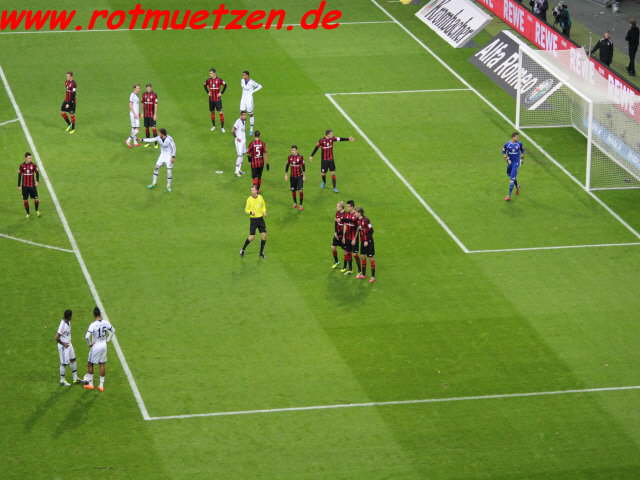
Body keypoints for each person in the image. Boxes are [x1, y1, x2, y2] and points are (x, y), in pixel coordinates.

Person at [83, 307, 115, 392]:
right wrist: (108, 339)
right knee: (102, 364)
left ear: (94, 314)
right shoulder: (105, 322)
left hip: (96, 346)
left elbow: (87, 337)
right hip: (104, 345)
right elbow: (113, 330)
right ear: (100, 314)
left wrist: (89, 344)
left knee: (90, 364)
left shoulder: (93, 325)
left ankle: (90, 384)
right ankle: (101, 385)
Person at [55, 309, 81, 386]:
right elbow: (56, 337)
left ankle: (75, 378)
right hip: (64, 346)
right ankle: (62, 380)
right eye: (71, 316)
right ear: (69, 316)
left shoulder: (68, 322)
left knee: (73, 359)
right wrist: (63, 344)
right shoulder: (62, 325)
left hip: (69, 344)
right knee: (63, 363)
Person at [240, 185, 267, 258]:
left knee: (264, 235)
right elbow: (246, 209)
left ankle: (261, 253)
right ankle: (243, 249)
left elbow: (263, 205)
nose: (252, 192)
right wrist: (251, 212)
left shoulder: (260, 197)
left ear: (256, 191)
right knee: (252, 237)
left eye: (253, 190)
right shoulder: (249, 199)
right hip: (253, 220)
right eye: (251, 190)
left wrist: (264, 211)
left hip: (260, 219)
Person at [355, 208, 376, 283]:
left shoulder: (366, 220)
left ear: (359, 213)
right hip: (363, 242)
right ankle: (363, 274)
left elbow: (371, 230)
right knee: (362, 256)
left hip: (369, 242)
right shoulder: (358, 221)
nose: (355, 214)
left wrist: (367, 240)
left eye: (356, 212)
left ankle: (373, 277)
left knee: (371, 258)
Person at [503, 132, 525, 201]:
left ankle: (509, 196)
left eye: (518, 137)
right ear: (513, 137)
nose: (518, 138)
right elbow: (504, 151)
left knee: (511, 179)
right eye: (517, 137)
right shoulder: (507, 144)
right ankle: (517, 186)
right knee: (509, 174)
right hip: (510, 163)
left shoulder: (519, 144)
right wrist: (505, 157)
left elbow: (522, 151)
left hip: (516, 163)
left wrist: (522, 158)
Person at [17, 152, 40, 218]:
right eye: (29, 158)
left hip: (32, 186)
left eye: (31, 158)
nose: (30, 159)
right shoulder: (21, 166)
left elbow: (37, 172)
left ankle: (37, 210)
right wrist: (19, 185)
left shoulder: (34, 165)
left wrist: (37, 181)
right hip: (24, 186)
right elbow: (19, 175)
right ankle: (28, 213)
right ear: (25, 158)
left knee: (36, 199)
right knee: (25, 200)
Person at [240, 71, 263, 136]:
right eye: (242, 75)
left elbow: (260, 86)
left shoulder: (252, 82)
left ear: (247, 75)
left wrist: (253, 91)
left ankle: (251, 129)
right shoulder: (242, 80)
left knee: (250, 114)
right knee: (242, 113)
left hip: (249, 100)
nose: (243, 76)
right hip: (243, 99)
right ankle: (243, 127)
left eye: (244, 75)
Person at [284, 145, 306, 210]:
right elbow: (287, 165)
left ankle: (301, 204)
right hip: (292, 177)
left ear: (296, 150)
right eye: (292, 150)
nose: (293, 151)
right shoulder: (289, 157)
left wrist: (304, 175)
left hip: (299, 176)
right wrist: (286, 174)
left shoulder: (300, 157)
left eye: (294, 150)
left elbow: (303, 166)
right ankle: (295, 203)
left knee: (300, 190)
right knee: (293, 190)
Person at [341, 200, 358, 275]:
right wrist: (343, 236)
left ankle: (360, 271)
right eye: (346, 206)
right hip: (347, 237)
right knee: (347, 252)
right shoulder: (347, 214)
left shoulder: (356, 215)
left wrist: (355, 238)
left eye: (348, 206)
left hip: (354, 238)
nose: (347, 208)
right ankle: (350, 269)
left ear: (352, 207)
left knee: (355, 254)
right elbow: (345, 225)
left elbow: (358, 228)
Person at [142, 83, 159, 147]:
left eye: (149, 88)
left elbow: (156, 105)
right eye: (147, 88)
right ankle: (148, 142)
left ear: (151, 88)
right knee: (146, 128)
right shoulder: (144, 94)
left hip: (152, 115)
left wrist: (155, 114)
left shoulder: (154, 94)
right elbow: (142, 104)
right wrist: (142, 112)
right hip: (146, 115)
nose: (148, 89)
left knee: (153, 128)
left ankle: (156, 143)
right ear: (146, 88)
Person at [233, 111, 248, 177]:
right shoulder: (238, 121)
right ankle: (236, 171)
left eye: (245, 115)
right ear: (241, 115)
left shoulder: (244, 121)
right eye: (244, 115)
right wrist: (236, 137)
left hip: (243, 141)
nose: (245, 116)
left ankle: (239, 169)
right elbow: (233, 130)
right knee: (239, 155)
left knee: (243, 154)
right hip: (239, 142)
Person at [331, 201, 345, 269]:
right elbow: (336, 223)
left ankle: (347, 266)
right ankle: (337, 261)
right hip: (337, 234)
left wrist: (344, 236)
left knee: (346, 251)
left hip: (343, 235)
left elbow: (346, 226)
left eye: (337, 206)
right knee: (333, 247)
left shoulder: (346, 215)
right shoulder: (337, 213)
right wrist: (335, 232)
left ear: (341, 207)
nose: (336, 207)